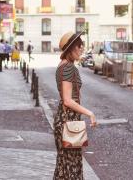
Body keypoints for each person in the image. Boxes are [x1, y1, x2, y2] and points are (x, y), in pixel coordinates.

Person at [53, 31, 97, 180]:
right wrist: (89, 113)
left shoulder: (62, 65)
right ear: (70, 49)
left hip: (64, 117)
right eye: (79, 45)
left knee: (64, 164)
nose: (82, 48)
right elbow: (67, 100)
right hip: (68, 119)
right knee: (72, 166)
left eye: (82, 45)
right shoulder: (68, 68)